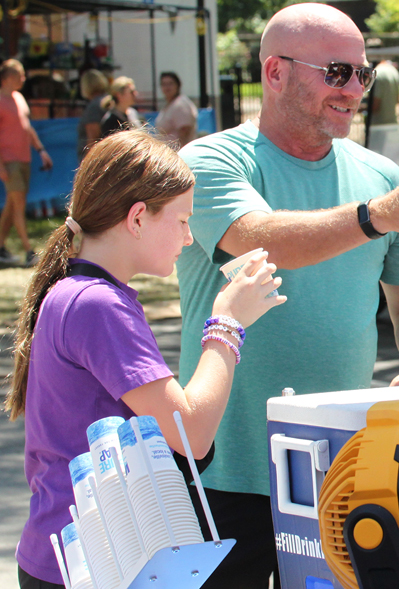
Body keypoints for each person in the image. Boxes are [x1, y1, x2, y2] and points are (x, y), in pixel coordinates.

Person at [176, 2, 399, 588]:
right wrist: (376, 217)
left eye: (362, 73)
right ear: (274, 73)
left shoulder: (379, 175)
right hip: (226, 472)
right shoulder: (209, 159)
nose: (354, 88)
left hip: (347, 471)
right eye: (335, 72)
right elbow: (256, 242)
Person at [5, 129, 286, 588]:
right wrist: (227, 322)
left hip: (69, 556)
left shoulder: (78, 292)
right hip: (93, 565)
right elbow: (191, 435)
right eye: (180, 221)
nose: (189, 236)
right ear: (137, 218)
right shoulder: (99, 305)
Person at [0, 60, 53, 267]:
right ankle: (29, 250)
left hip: (24, 157)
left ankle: (1, 248)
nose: (23, 78)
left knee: (13, 204)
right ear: (6, 78)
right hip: (8, 159)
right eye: (19, 75)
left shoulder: (19, 98)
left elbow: (27, 127)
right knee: (19, 204)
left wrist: (41, 150)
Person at [155, 71, 198, 147]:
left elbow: (184, 133)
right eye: (164, 84)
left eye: (170, 84)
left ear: (178, 85)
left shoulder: (181, 104)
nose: (167, 87)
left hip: (177, 154)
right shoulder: (169, 104)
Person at [76, 69, 109, 161]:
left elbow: (93, 139)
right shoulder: (107, 101)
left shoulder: (94, 107)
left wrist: (88, 165)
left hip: (97, 160)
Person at [370, 59, 399, 125]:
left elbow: (375, 106)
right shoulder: (394, 71)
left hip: (378, 125)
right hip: (392, 123)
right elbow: (398, 99)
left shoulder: (377, 73)